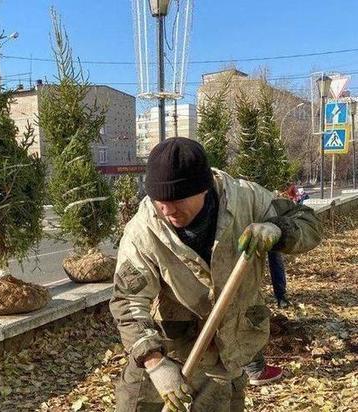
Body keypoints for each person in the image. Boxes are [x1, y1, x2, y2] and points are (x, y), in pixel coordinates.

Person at [110, 138, 322, 411]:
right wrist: (155, 363)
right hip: (169, 348)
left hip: (227, 353)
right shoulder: (143, 231)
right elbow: (128, 301)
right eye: (159, 200)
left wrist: (278, 229)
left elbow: (309, 223)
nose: (167, 209)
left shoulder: (248, 200)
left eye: (176, 199)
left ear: (203, 188)